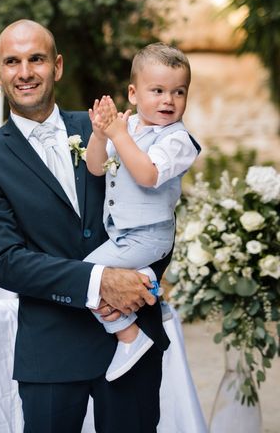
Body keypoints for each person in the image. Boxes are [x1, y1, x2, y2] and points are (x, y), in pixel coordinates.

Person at [0, 19, 171, 432]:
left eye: (36, 59)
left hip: (131, 340)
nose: (25, 72)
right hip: (51, 350)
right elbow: (6, 262)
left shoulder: (107, 128)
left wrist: (142, 279)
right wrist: (100, 281)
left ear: (56, 66)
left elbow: (157, 209)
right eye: (12, 62)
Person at [84, 43, 200, 382]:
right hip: (123, 233)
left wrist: (118, 135)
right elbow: (94, 168)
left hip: (150, 236)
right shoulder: (128, 126)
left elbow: (148, 175)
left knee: (87, 276)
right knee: (89, 280)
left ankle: (129, 335)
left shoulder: (178, 140)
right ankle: (148, 289)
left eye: (179, 92)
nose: (169, 100)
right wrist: (99, 134)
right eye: (158, 90)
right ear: (133, 93)